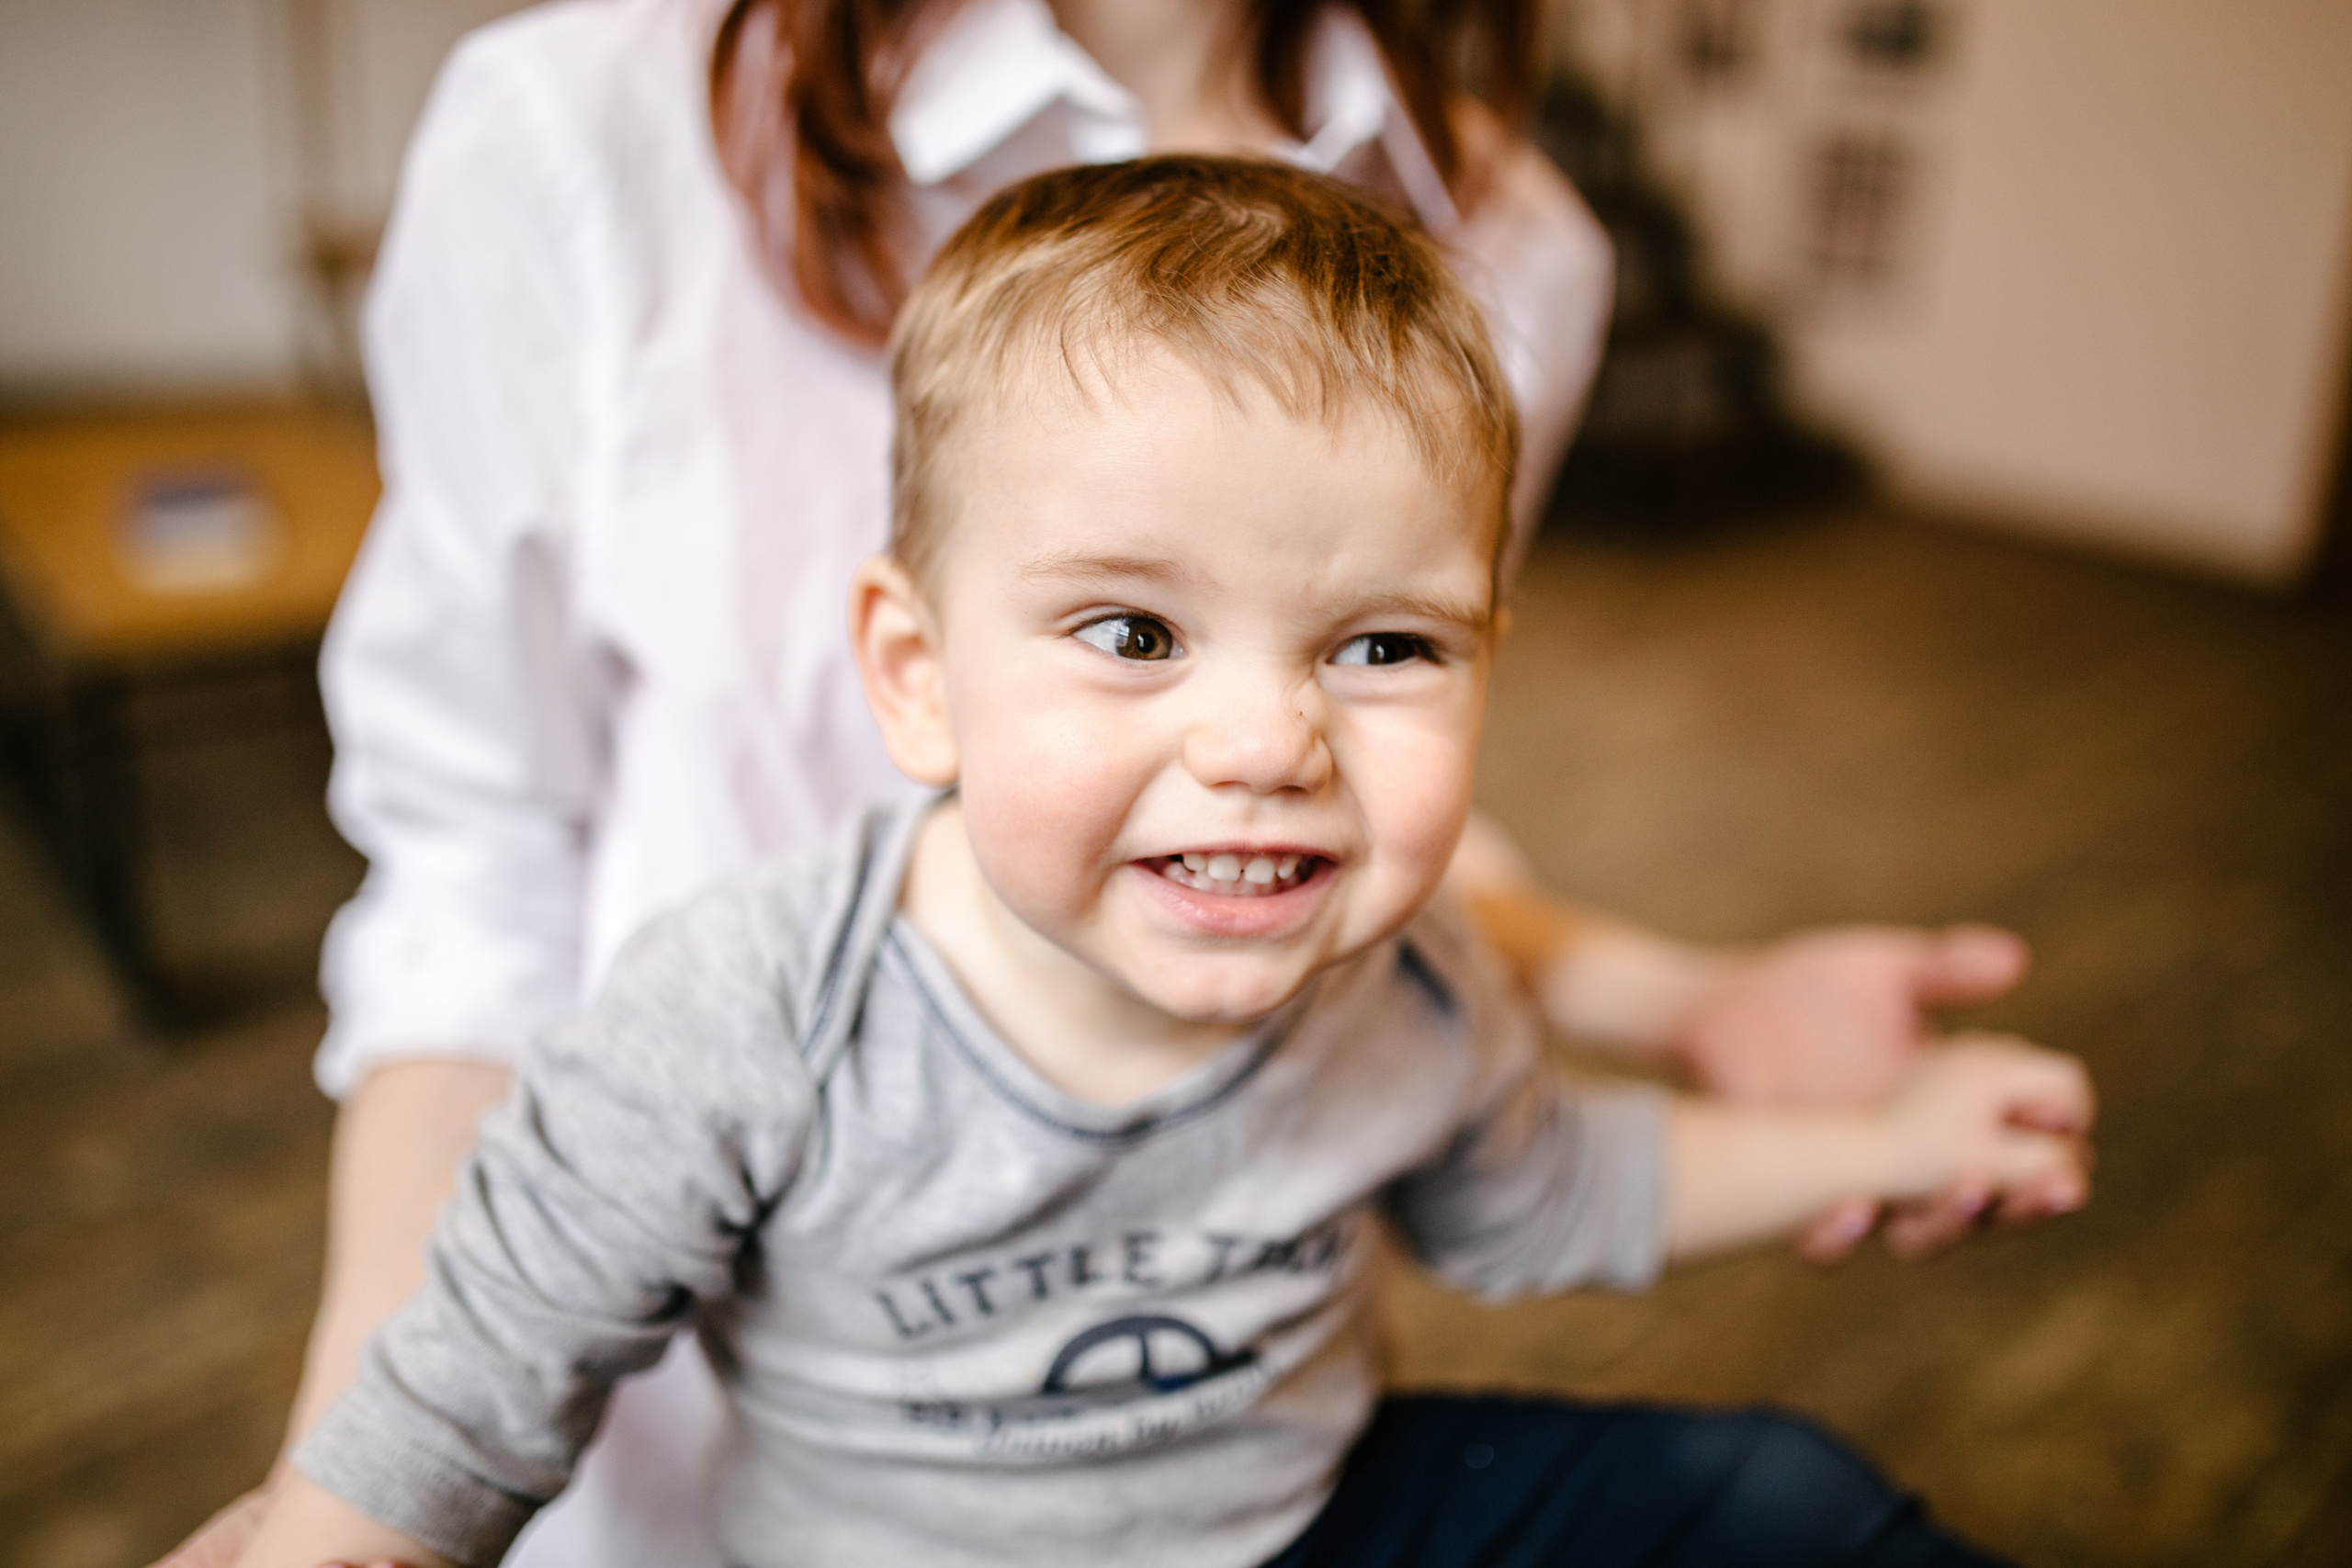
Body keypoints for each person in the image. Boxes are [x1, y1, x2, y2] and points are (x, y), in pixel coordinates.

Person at [164, 2, 2038, 1563]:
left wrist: (1816, 1096)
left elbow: (1542, 1176)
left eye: (1380, 645)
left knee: (1800, 1507)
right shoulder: (737, 1006)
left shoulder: (1509, 260)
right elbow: (490, 1335)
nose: (1263, 745)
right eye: (1133, 633)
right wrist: (344, 1523)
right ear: (911, 672)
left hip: (1279, 1497)